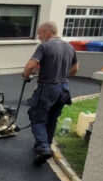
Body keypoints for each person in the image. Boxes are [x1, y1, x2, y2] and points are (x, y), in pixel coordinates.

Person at [23, 21, 79, 166]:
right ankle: (46, 145)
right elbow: (75, 69)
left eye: (39, 34)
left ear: (47, 32)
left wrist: (26, 75)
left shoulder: (45, 46)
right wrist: (62, 74)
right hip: (63, 88)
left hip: (47, 88)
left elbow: (30, 65)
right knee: (52, 118)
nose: (38, 37)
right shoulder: (70, 47)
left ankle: (43, 148)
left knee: (37, 117)